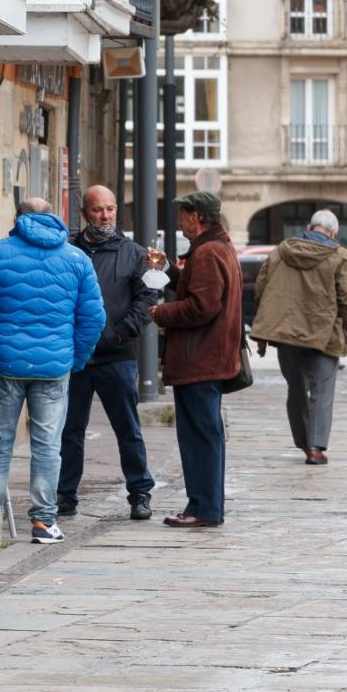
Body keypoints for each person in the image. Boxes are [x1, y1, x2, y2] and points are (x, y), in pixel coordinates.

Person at [0, 197, 104, 544]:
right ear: (53, 218)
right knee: (47, 444)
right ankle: (44, 521)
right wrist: (74, 358)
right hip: (55, 366)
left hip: (5, 363)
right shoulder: (77, 259)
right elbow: (93, 318)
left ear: (17, 218)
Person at [57, 185, 156, 520]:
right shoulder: (68, 251)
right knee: (70, 430)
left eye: (111, 209)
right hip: (76, 356)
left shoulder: (134, 253)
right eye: (98, 210)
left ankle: (140, 492)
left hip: (117, 355)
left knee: (128, 428)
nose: (106, 216)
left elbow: (146, 300)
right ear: (85, 213)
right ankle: (65, 495)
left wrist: (120, 333)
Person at [147, 191, 242, 528]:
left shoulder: (208, 252)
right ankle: (206, 506)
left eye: (182, 215)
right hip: (207, 358)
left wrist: (160, 312)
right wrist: (170, 270)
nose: (179, 222)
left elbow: (202, 307)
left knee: (199, 437)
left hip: (200, 359)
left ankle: (203, 508)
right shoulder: (218, 247)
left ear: (196, 217)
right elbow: (200, 291)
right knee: (206, 435)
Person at [250, 209, 347, 466]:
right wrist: (346, 325)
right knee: (322, 390)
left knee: (296, 388)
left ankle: (301, 439)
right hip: (325, 332)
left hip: (287, 331)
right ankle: (315, 447)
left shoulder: (280, 252)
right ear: (333, 233)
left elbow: (261, 287)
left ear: (309, 227)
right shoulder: (340, 256)